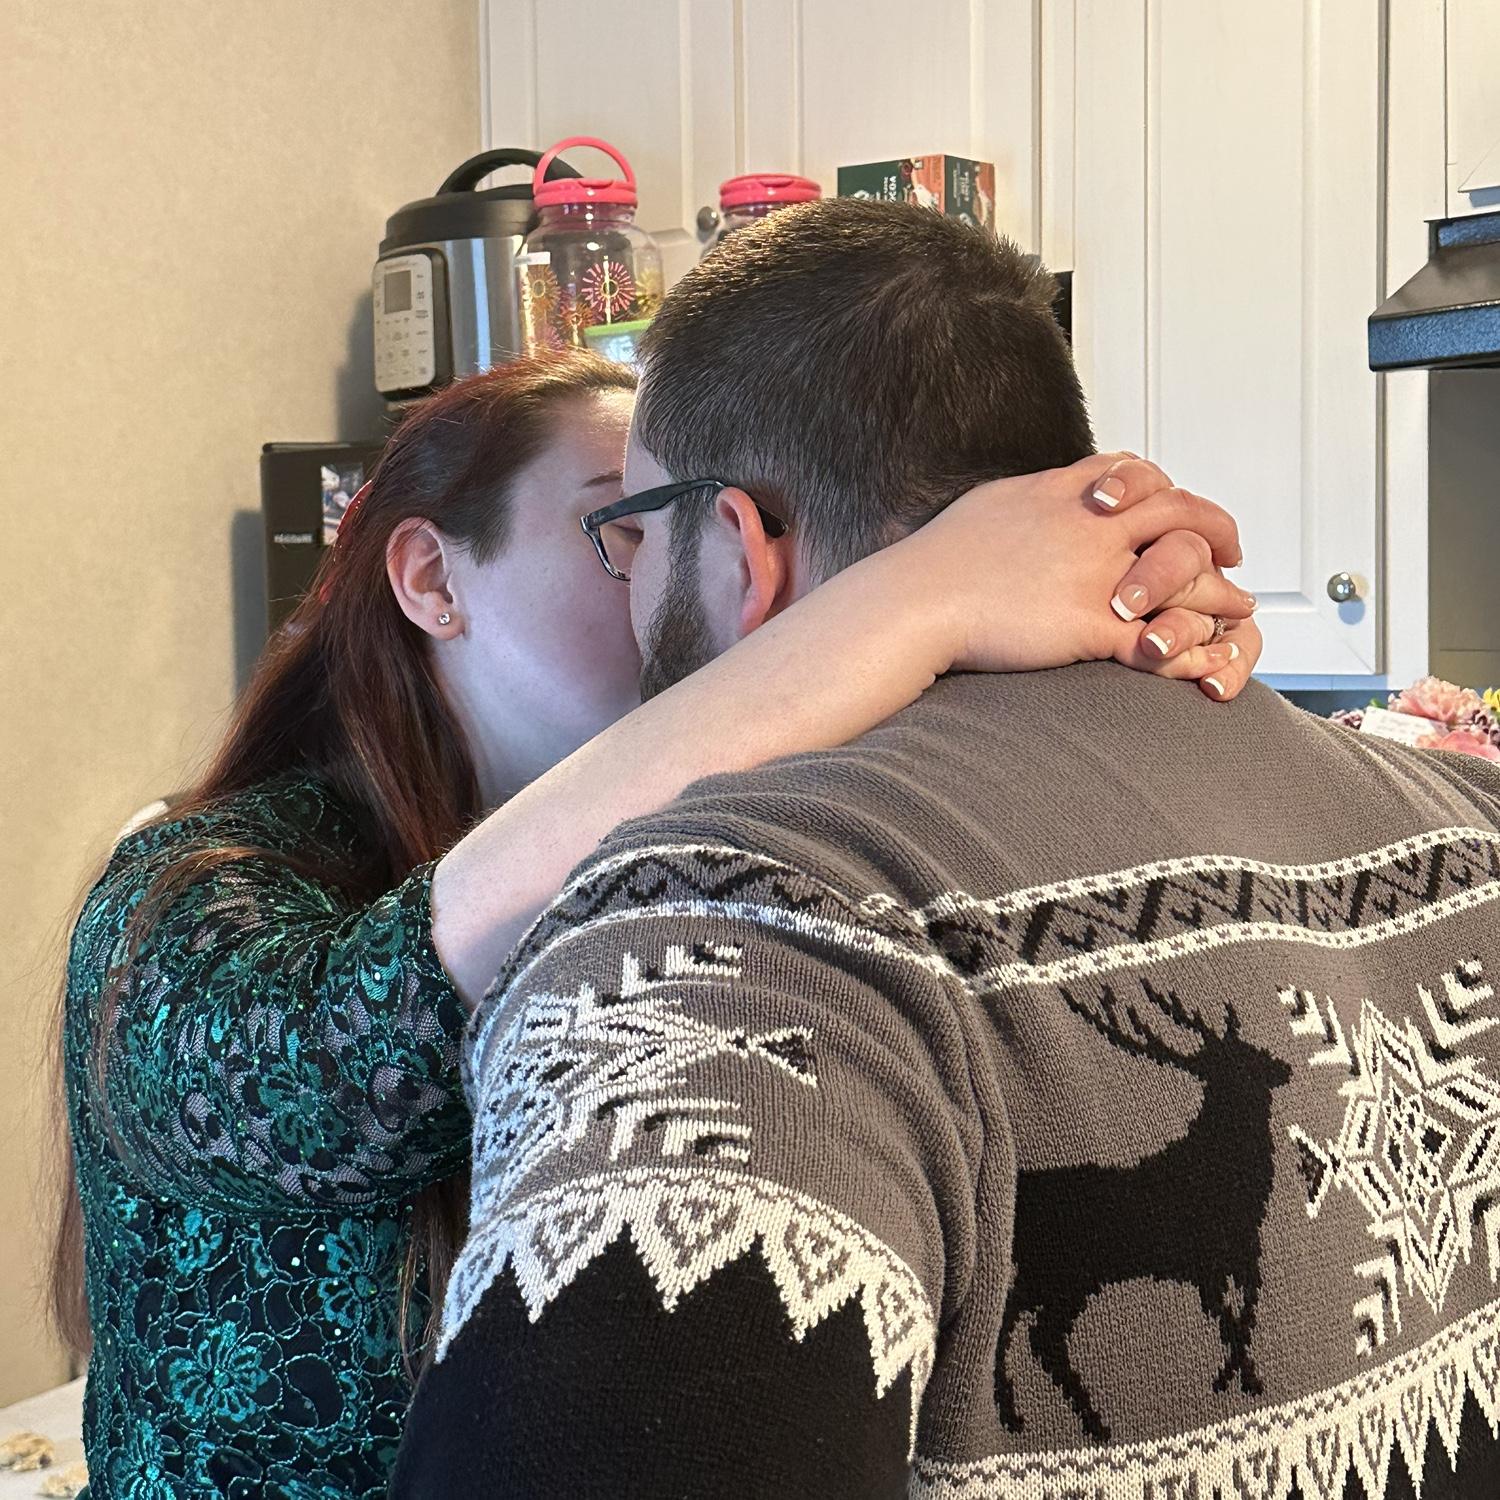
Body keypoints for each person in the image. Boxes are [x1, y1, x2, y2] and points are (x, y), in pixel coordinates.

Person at [394, 200, 1500, 1499]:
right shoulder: (1462, 822)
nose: (628, 590)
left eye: (633, 534)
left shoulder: (718, 934)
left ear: (743, 543)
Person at [55, 349, 1255, 1498]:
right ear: (430, 581)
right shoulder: (184, 895)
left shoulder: (694, 863)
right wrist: (935, 591)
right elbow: (331, 1065)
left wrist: (1119, 614)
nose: (682, 583)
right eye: (616, 534)